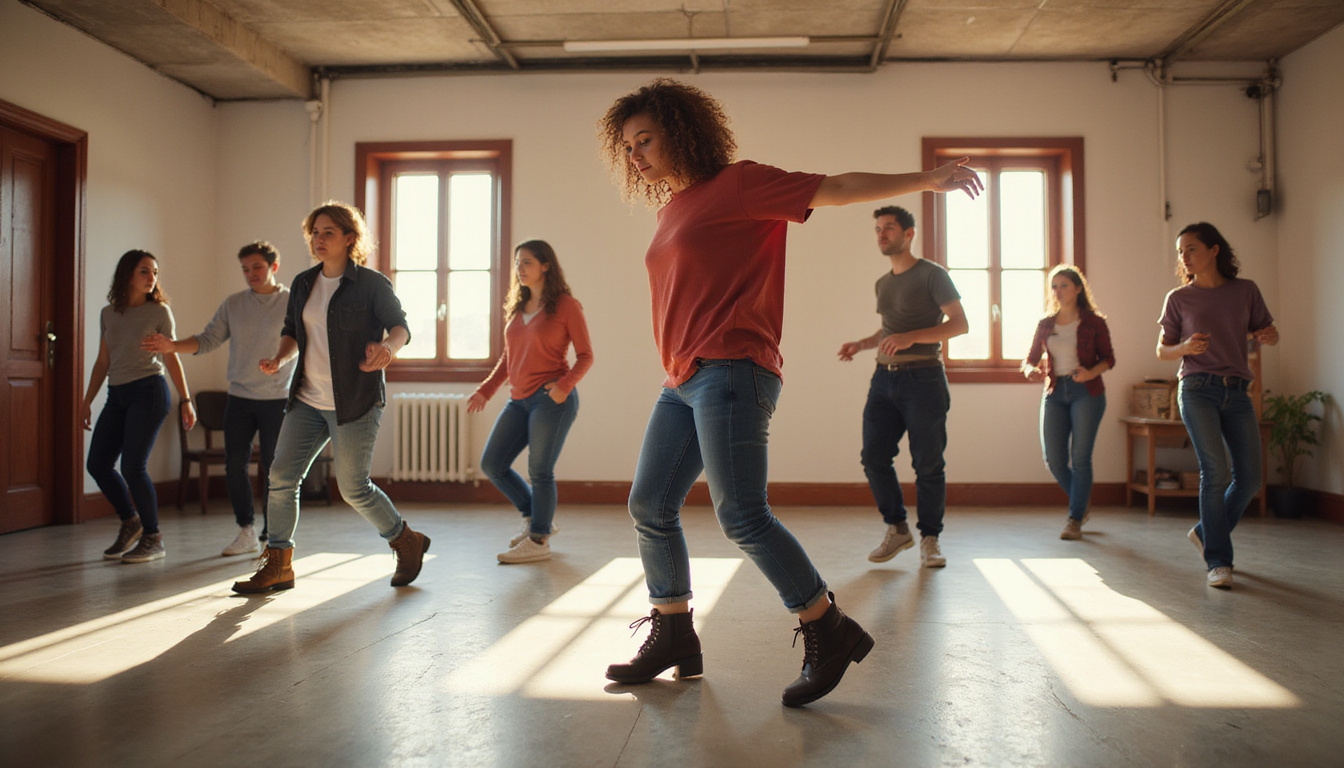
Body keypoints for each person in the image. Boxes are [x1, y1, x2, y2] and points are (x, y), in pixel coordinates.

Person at [596, 79, 982, 707]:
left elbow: (837, 187)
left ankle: (828, 627)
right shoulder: (672, 209)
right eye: (628, 145)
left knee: (741, 513)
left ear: (682, 133)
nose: (635, 154)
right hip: (683, 379)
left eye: (646, 139)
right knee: (650, 505)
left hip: (733, 369)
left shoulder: (740, 185)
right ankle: (673, 632)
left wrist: (926, 179)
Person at [232, 202, 430, 594]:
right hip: (308, 398)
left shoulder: (371, 284)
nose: (318, 240)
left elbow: (400, 327)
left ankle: (404, 539)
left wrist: (388, 349)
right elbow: (293, 330)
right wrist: (279, 358)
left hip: (356, 399)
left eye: (328, 233)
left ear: (349, 239)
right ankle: (279, 564)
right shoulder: (303, 283)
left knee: (353, 488)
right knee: (281, 476)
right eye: (314, 233)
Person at [143, 242, 296, 556]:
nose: (251, 274)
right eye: (245, 269)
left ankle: (274, 534)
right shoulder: (234, 304)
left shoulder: (291, 301)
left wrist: (279, 361)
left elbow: (300, 340)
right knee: (234, 465)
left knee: (275, 468)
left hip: (278, 399)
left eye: (257, 267)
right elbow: (208, 339)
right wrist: (172, 346)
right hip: (239, 398)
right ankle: (246, 530)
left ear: (274, 267)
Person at [838, 206, 968, 569]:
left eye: (889, 228)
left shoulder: (932, 275)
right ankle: (897, 529)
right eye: (878, 229)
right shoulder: (883, 283)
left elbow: (960, 323)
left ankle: (930, 539)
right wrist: (862, 344)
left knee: (928, 464)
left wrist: (912, 337)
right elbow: (889, 331)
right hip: (883, 380)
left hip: (924, 380)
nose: (881, 234)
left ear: (909, 234)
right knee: (873, 457)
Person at [1157, 222, 1277, 590]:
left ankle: (1204, 532)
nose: (1184, 257)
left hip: (1237, 392)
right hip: (1197, 389)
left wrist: (1269, 335)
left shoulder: (1245, 291)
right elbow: (1162, 350)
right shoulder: (1178, 298)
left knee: (1251, 478)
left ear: (1214, 250)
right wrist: (1184, 348)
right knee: (1215, 473)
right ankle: (1219, 561)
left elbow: (1267, 331)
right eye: (1180, 251)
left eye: (1190, 248)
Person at [468, 240, 594, 564]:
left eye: (526, 262)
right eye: (517, 263)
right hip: (518, 400)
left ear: (545, 266)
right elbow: (508, 359)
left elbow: (586, 356)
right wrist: (486, 390)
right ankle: (537, 518)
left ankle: (539, 540)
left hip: (550, 400)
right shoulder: (517, 307)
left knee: (540, 470)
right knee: (492, 464)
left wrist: (563, 387)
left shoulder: (566, 306)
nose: (519, 269)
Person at [82, 250, 196, 563]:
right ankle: (131, 521)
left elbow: (171, 357)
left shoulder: (159, 311)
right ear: (127, 274)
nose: (152, 278)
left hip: (149, 392)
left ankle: (153, 537)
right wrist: (86, 401)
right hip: (117, 394)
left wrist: (186, 400)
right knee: (98, 464)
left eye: (155, 272)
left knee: (133, 467)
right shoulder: (108, 313)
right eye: (145, 271)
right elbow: (103, 361)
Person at [1022, 265, 1115, 540]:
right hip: (1054, 392)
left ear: (1077, 288)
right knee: (1054, 459)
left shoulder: (1094, 322)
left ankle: (1074, 519)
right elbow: (1030, 359)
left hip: (1087, 392)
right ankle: (1080, 499)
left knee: (1081, 457)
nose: (1058, 291)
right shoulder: (1046, 323)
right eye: (1054, 286)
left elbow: (1108, 359)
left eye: (1064, 285)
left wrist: (1089, 373)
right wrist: (1029, 370)